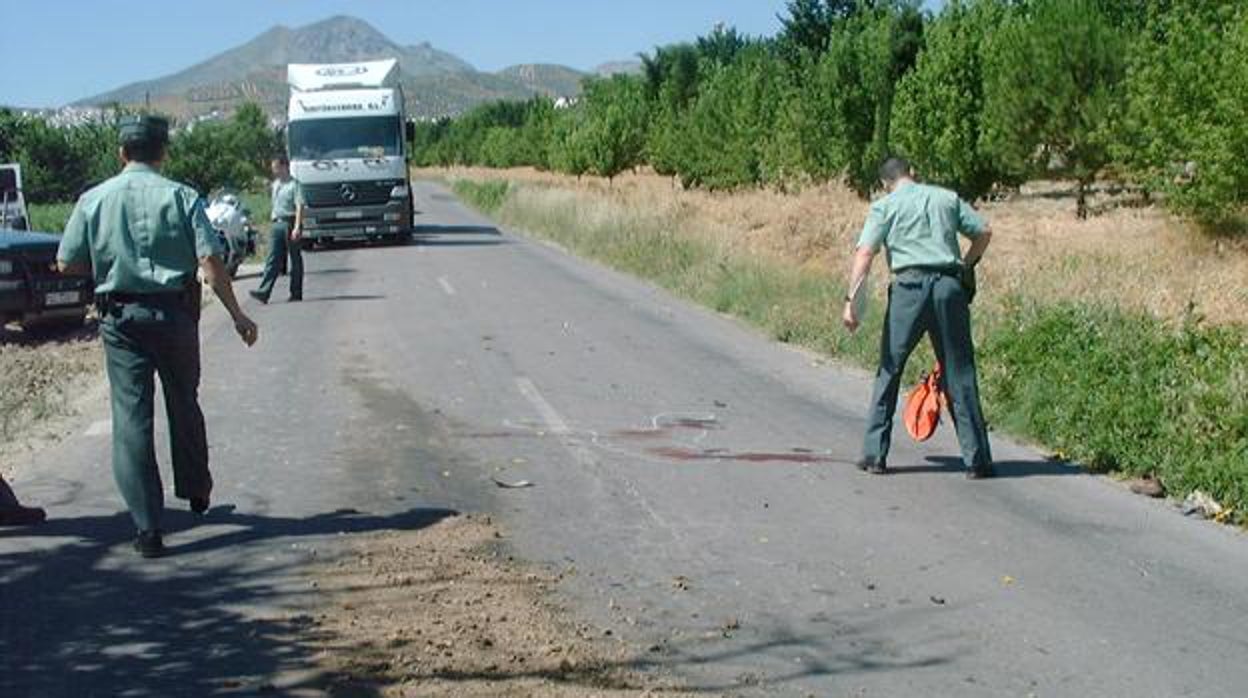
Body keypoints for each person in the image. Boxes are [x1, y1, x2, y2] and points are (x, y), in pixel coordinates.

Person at [57, 115, 259, 558]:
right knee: (184, 400)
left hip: (120, 318)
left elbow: (67, 262)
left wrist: (111, 261)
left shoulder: (93, 199)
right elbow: (210, 263)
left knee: (131, 417)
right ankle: (196, 487)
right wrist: (238, 315)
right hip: (175, 314)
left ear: (121, 153)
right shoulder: (182, 196)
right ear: (163, 152)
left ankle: (147, 526)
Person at [843, 157, 995, 479]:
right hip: (948, 288)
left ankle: (874, 455)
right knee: (960, 371)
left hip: (908, 290)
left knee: (890, 369)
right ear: (912, 172)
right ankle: (977, 460)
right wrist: (965, 266)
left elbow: (865, 253)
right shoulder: (946, 198)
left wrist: (851, 303)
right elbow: (983, 233)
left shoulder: (884, 207)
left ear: (886, 183)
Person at [250, 154, 303, 303]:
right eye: (273, 168)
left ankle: (296, 292)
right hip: (276, 223)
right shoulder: (275, 184)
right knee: (272, 258)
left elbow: (299, 206)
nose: (275, 171)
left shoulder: (295, 185)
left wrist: (297, 227)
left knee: (295, 259)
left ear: (285, 167)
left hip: (290, 222)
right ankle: (264, 292)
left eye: (277, 167)